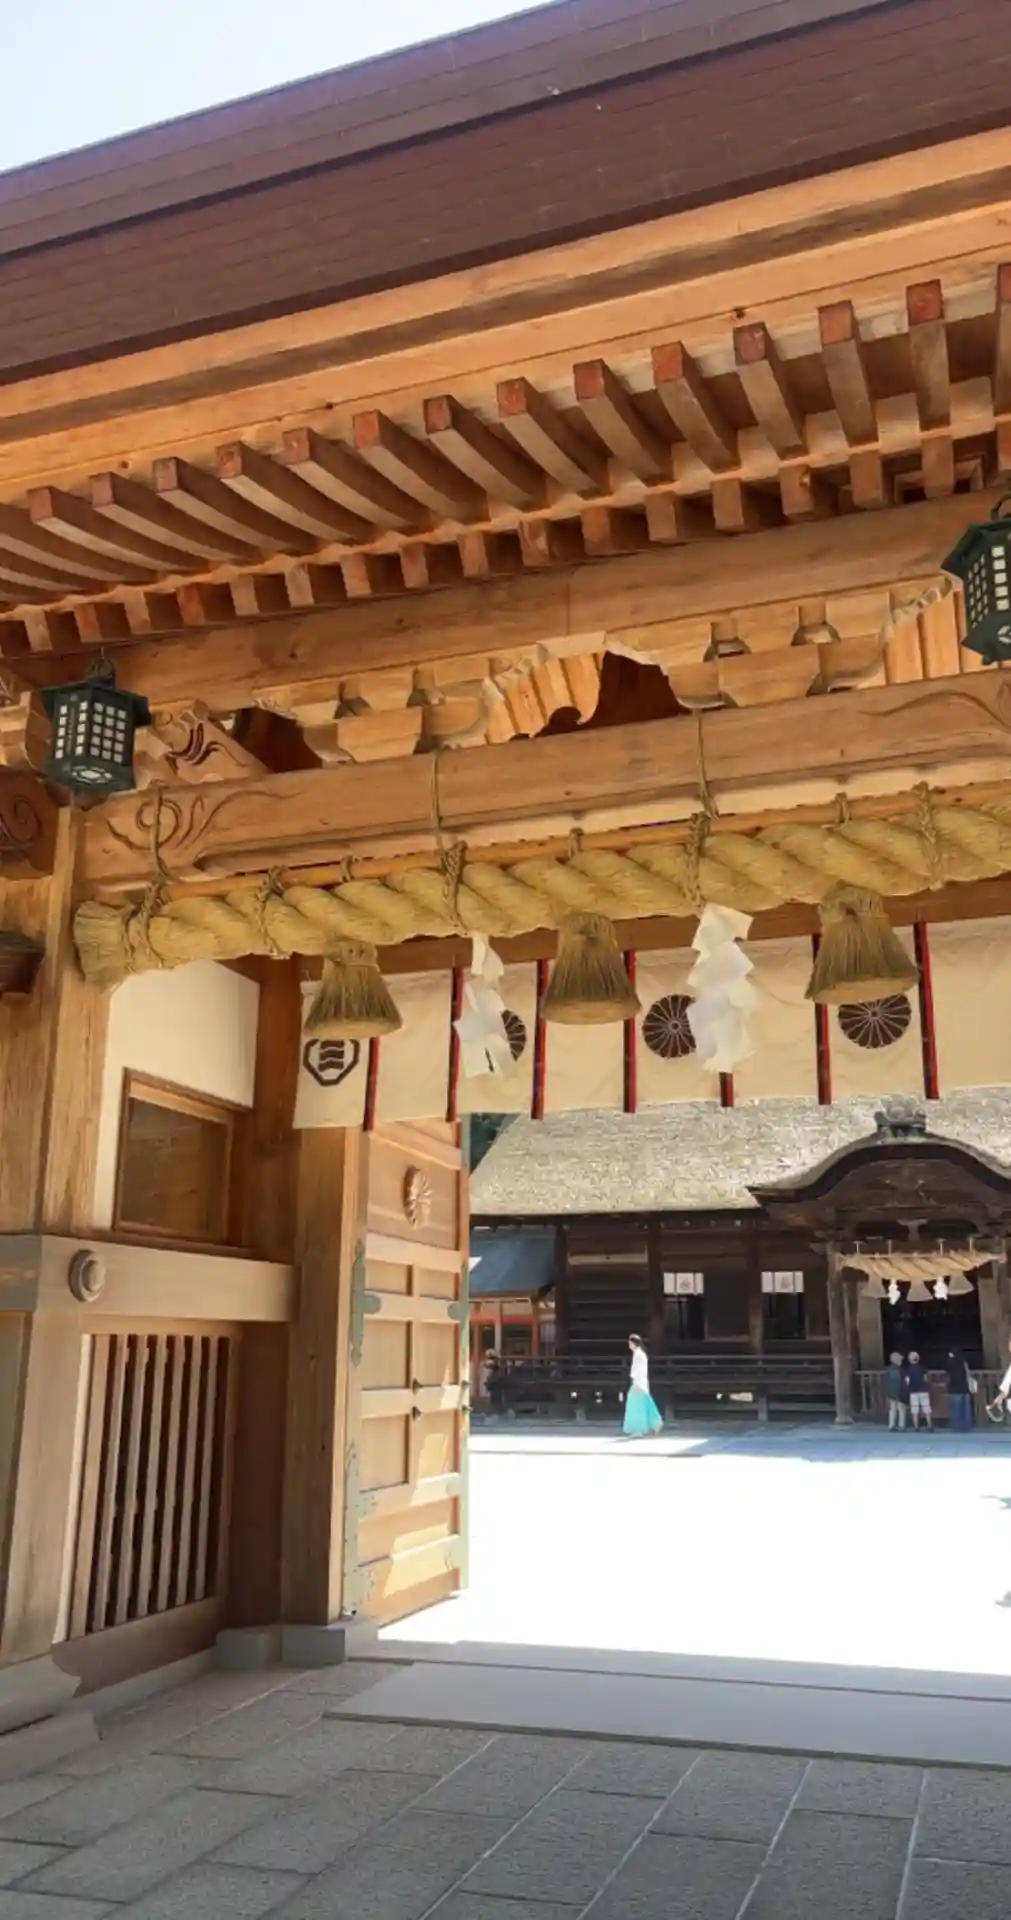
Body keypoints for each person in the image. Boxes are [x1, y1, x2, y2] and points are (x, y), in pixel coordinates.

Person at [623, 1334, 663, 1437]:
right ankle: (655, 1424)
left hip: (639, 1383)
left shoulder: (638, 1355)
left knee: (637, 1406)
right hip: (641, 1383)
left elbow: (639, 1371)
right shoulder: (639, 1354)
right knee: (645, 1405)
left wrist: (636, 1384)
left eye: (630, 1343)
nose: (629, 1345)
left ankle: (639, 1429)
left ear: (633, 1343)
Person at [945, 1347, 976, 1431]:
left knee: (956, 1408)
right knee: (966, 1409)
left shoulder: (950, 1362)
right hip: (965, 1387)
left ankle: (956, 1426)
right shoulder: (963, 1362)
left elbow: (948, 1375)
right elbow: (968, 1374)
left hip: (955, 1388)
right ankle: (967, 1426)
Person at [904, 1350, 932, 1431]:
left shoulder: (908, 1370)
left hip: (913, 1391)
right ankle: (930, 1426)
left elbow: (907, 1381)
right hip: (924, 1390)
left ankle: (916, 1427)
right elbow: (926, 1379)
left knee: (915, 1409)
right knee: (926, 1408)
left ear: (910, 1359)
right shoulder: (923, 1368)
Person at [885, 1351, 907, 1430]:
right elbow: (905, 1382)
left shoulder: (888, 1370)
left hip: (891, 1392)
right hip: (900, 1392)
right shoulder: (902, 1370)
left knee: (892, 1409)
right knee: (901, 1409)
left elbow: (886, 1382)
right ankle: (901, 1425)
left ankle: (891, 1425)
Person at [484, 1350, 505, 1417]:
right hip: (494, 1386)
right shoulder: (493, 1371)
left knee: (496, 1401)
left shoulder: (497, 1368)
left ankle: (496, 1412)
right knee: (495, 1401)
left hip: (496, 1387)